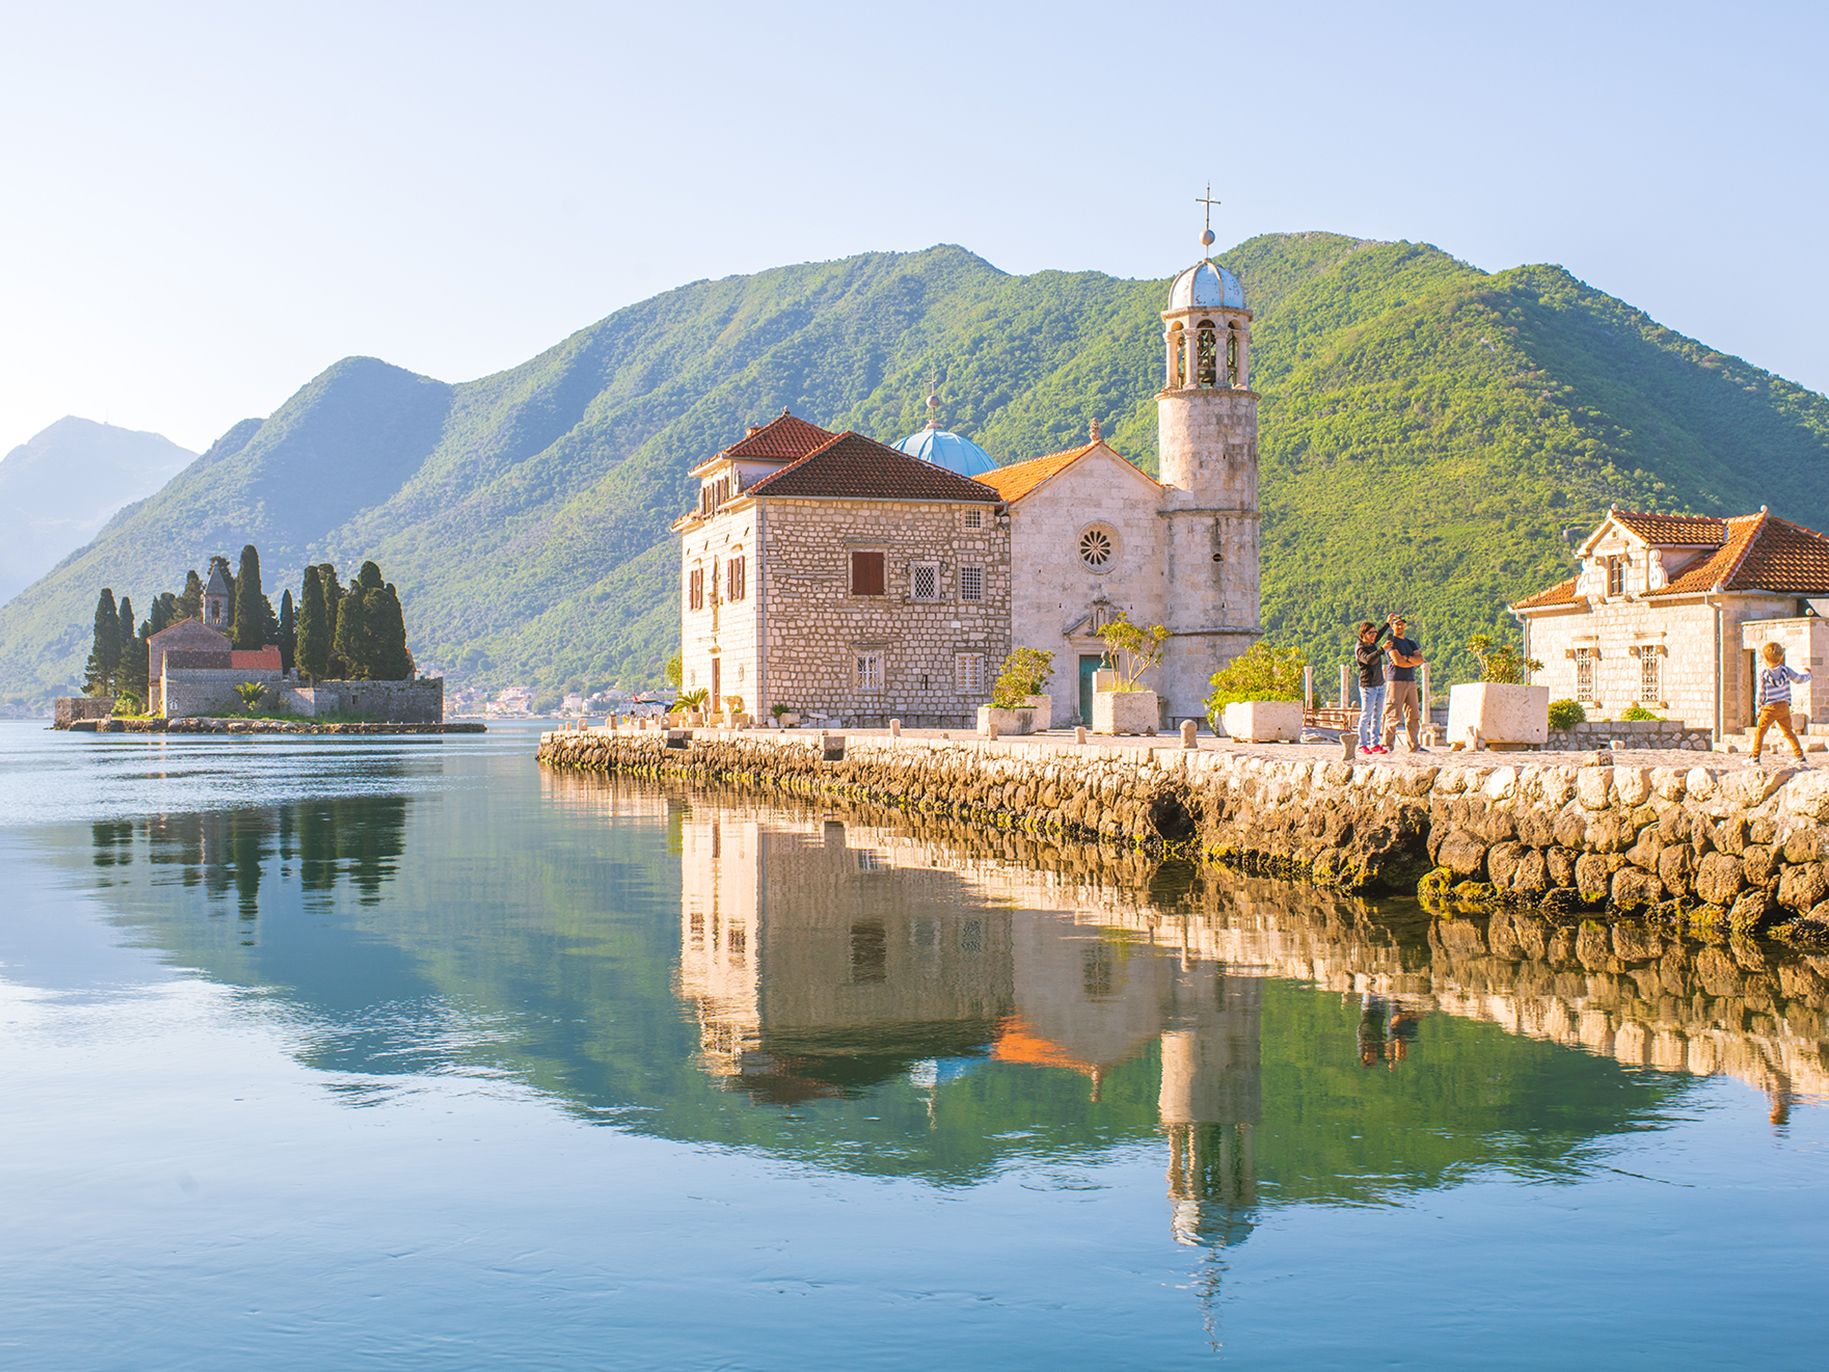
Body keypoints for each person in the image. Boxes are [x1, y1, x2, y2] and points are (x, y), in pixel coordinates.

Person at [1752, 640, 1811, 765]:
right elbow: (1800, 679)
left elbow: (1761, 693)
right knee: (1788, 732)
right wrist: (1808, 674)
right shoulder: (1786, 671)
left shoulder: (1764, 673)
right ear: (1781, 657)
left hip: (1769, 708)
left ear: (1765, 658)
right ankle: (1799, 756)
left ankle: (1755, 757)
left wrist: (1758, 709)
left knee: (1760, 732)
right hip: (1783, 706)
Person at [1381, 614, 1427, 752]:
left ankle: (1414, 746)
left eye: (1402, 624)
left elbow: (1420, 660)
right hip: (1395, 680)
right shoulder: (1391, 642)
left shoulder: (1411, 642)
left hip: (1410, 681)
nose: (1400, 626)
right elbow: (1397, 661)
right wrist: (1410, 661)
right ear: (1393, 626)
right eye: (1397, 624)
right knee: (1393, 714)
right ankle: (1387, 745)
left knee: (1413, 715)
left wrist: (1406, 658)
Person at [1354, 620, 1390, 754]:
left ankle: (1375, 743)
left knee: (1378, 715)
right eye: (1370, 633)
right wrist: (1382, 650)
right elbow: (1368, 659)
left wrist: (1387, 623)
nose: (1374, 635)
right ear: (1363, 634)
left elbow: (1379, 635)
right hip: (1368, 686)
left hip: (1379, 683)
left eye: (1374, 632)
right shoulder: (1360, 648)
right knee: (1366, 715)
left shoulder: (1372, 643)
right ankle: (1362, 743)